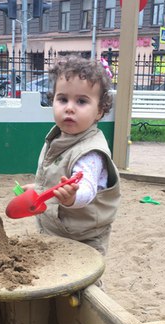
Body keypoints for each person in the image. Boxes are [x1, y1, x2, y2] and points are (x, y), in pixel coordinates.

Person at [24, 55, 121, 257]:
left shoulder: (89, 152)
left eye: (81, 101)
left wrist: (73, 197)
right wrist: (40, 189)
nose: (69, 107)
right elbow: (56, 178)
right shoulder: (59, 137)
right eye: (62, 99)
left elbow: (87, 188)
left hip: (82, 241)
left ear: (100, 111)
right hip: (56, 231)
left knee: (77, 277)